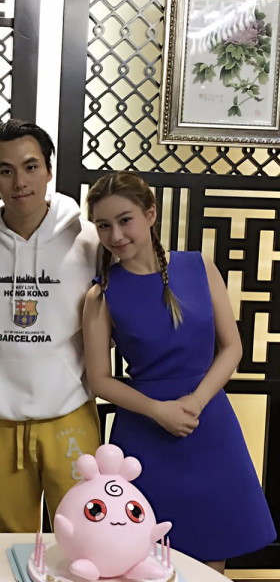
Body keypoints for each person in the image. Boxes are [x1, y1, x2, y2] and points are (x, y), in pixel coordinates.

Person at [82, 170, 276, 573]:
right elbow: (98, 380)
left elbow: (233, 348)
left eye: (125, 220)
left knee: (212, 545)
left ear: (150, 214)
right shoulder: (101, 295)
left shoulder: (199, 266)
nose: (116, 234)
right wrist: (159, 411)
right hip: (144, 432)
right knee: (140, 554)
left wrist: (194, 403)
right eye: (103, 225)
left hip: (209, 424)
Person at [0, 119, 101, 533]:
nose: (20, 182)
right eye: (6, 170)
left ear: (49, 171)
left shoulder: (89, 241)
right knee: (4, 541)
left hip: (70, 411)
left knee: (84, 534)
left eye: (31, 167)